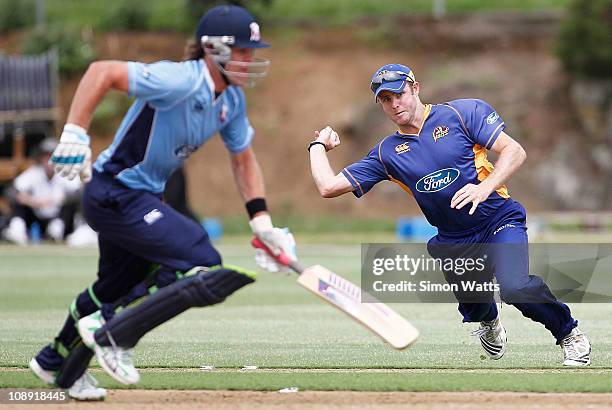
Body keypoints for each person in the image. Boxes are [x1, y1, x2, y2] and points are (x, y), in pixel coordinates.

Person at [29, 4, 294, 400]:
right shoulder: (178, 80)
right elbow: (101, 71)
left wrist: (262, 223)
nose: (249, 59)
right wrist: (75, 133)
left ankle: (55, 361)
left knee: (113, 286)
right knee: (200, 259)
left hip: (140, 195)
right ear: (212, 49)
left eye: (251, 51)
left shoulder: (231, 101)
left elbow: (243, 159)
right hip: (115, 192)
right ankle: (114, 330)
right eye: (241, 50)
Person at [308, 63, 591, 366]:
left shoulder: (461, 114)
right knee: (477, 307)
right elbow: (328, 187)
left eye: (399, 94)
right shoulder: (386, 153)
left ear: (415, 88)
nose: (394, 104)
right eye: (386, 100)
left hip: (498, 220)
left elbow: (514, 151)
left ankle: (570, 335)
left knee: (515, 286)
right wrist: (317, 146)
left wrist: (486, 187)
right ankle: (490, 323)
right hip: (454, 240)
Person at [3, 138, 81, 245]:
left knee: (70, 206)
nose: (49, 161)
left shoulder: (66, 173)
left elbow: (79, 192)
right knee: (18, 204)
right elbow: (11, 191)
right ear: (40, 158)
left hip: (59, 217)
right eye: (46, 156)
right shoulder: (34, 172)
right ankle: (17, 230)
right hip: (37, 215)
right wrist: (30, 201)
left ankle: (56, 233)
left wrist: (56, 199)